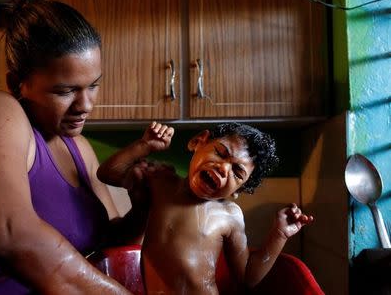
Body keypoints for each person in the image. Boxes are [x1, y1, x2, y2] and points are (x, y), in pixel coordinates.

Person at [0, 0, 148, 294]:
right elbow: (12, 236)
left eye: (93, 85)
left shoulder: (80, 148)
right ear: (17, 84)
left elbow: (105, 246)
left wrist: (142, 209)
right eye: (65, 91)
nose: (85, 105)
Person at [97, 121, 315, 294]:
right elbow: (109, 173)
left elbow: (248, 278)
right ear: (198, 142)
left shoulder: (229, 216)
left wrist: (279, 234)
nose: (223, 168)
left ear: (239, 189)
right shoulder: (161, 181)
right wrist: (144, 146)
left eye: (237, 172)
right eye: (220, 153)